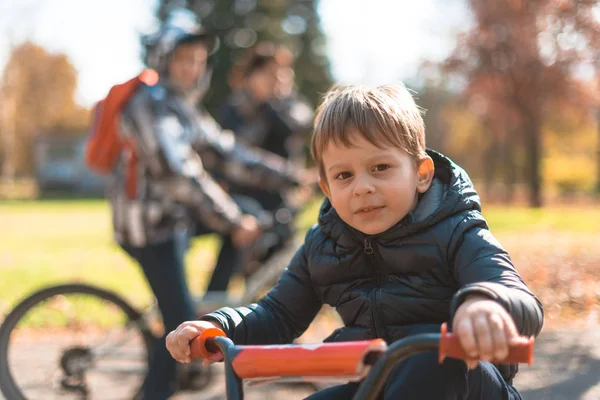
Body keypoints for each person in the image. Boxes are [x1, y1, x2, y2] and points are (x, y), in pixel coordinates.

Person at [165, 83, 544, 399]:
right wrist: (219, 325)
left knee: (432, 361)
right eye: (344, 176)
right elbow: (277, 314)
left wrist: (486, 305)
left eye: (380, 167)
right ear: (327, 189)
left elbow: (516, 294)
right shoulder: (323, 245)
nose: (363, 187)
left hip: (466, 384)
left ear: (422, 173)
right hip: (377, 383)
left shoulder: (456, 230)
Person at [111, 9, 308, 399]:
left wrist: (291, 175)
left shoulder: (184, 106)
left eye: (198, 61)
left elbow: (230, 152)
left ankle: (211, 307)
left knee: (251, 214)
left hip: (178, 219)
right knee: (178, 327)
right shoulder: (151, 104)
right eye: (184, 60)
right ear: (165, 60)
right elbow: (179, 172)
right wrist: (231, 219)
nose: (191, 69)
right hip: (149, 228)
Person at [202, 42, 315, 293]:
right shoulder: (236, 107)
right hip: (243, 195)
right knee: (234, 257)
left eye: (280, 72)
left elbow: (293, 128)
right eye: (269, 72)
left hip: (280, 196)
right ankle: (211, 310)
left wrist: (266, 103)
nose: (275, 78)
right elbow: (224, 150)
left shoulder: (288, 104)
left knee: (279, 268)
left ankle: (276, 321)